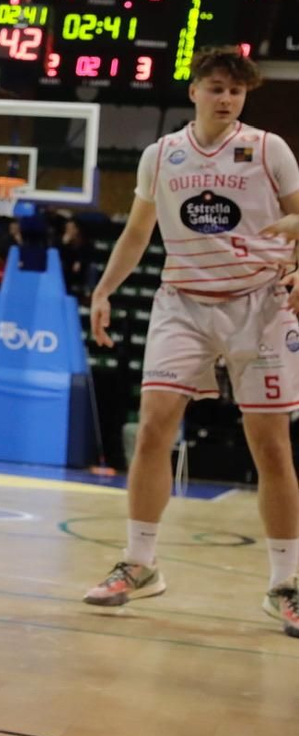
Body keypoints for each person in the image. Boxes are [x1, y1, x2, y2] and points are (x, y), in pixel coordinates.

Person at [84, 47, 299, 634]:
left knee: (271, 444)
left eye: (236, 90)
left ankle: (286, 583)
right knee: (154, 424)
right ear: (195, 91)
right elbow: (136, 232)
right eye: (217, 87)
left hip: (262, 303)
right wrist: (103, 292)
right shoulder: (163, 155)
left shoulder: (267, 149)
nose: (227, 98)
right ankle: (140, 563)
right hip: (182, 300)